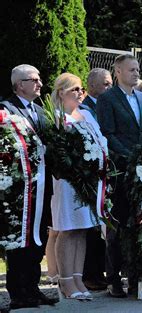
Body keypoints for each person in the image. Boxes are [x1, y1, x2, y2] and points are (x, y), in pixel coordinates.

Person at [96, 54, 142, 298]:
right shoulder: (107, 99)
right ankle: (113, 279)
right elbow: (108, 133)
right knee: (118, 226)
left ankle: (136, 278)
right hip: (121, 171)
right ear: (118, 71)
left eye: (138, 69)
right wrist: (131, 156)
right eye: (131, 69)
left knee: (140, 223)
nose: (136, 73)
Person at [0, 64, 58, 309]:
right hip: (19, 192)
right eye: (33, 80)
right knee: (20, 239)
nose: (39, 84)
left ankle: (33, 288)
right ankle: (18, 291)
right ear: (18, 84)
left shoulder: (40, 111)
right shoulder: (6, 109)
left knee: (38, 237)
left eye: (39, 79)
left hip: (42, 187)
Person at [50, 73, 107, 301]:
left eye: (81, 89)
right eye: (75, 89)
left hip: (89, 180)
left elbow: (100, 142)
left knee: (83, 229)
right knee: (68, 228)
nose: (80, 93)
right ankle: (65, 280)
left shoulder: (85, 115)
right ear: (62, 92)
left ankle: (77, 277)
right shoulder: (56, 117)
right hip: (68, 181)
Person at [77, 68, 113, 292]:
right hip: (90, 176)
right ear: (91, 86)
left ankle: (101, 271)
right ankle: (90, 273)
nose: (109, 87)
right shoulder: (84, 108)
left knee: (104, 224)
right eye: (105, 84)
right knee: (91, 227)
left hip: (107, 171)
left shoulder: (107, 105)